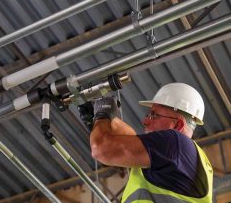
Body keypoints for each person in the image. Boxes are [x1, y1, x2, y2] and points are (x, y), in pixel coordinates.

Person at [78, 83, 213, 203]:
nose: (145, 121)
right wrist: (100, 117)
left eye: (154, 115)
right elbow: (129, 139)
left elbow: (102, 150)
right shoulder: (183, 155)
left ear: (178, 124)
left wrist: (102, 115)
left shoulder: (175, 143)